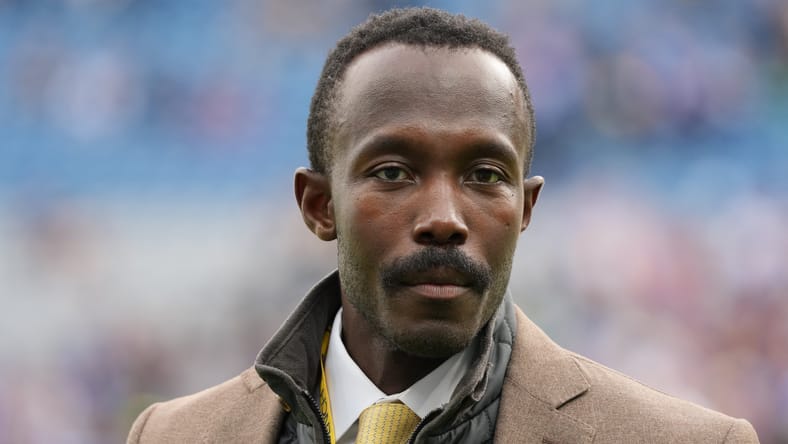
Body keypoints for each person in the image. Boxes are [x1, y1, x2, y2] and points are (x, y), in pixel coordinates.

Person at [127, 7, 759, 443]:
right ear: (320, 206)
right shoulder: (173, 436)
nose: (444, 220)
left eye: (485, 175)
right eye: (394, 172)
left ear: (526, 210)